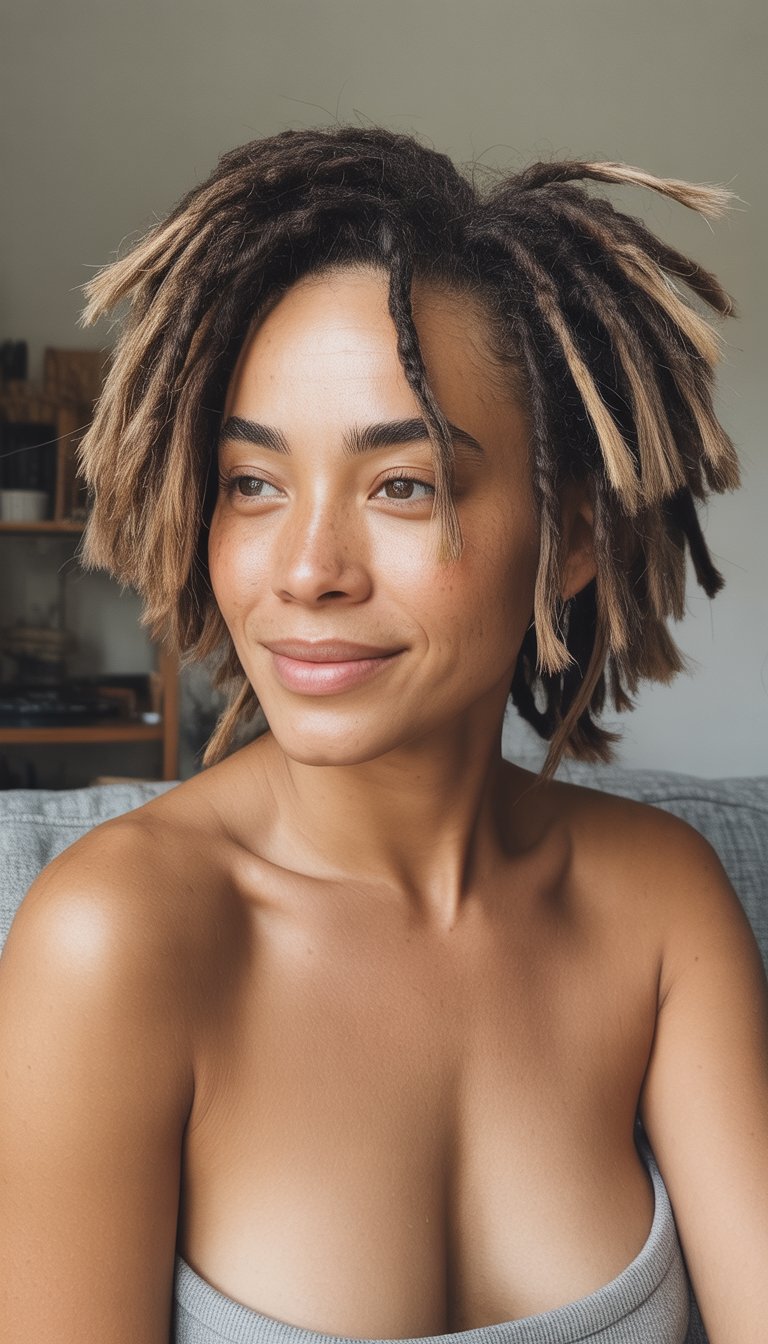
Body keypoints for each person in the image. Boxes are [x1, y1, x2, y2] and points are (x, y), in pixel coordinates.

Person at [0, 124, 766, 1344]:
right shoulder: (117, 941)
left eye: (402, 484)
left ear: (569, 538)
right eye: (254, 484)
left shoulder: (659, 906)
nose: (305, 570)